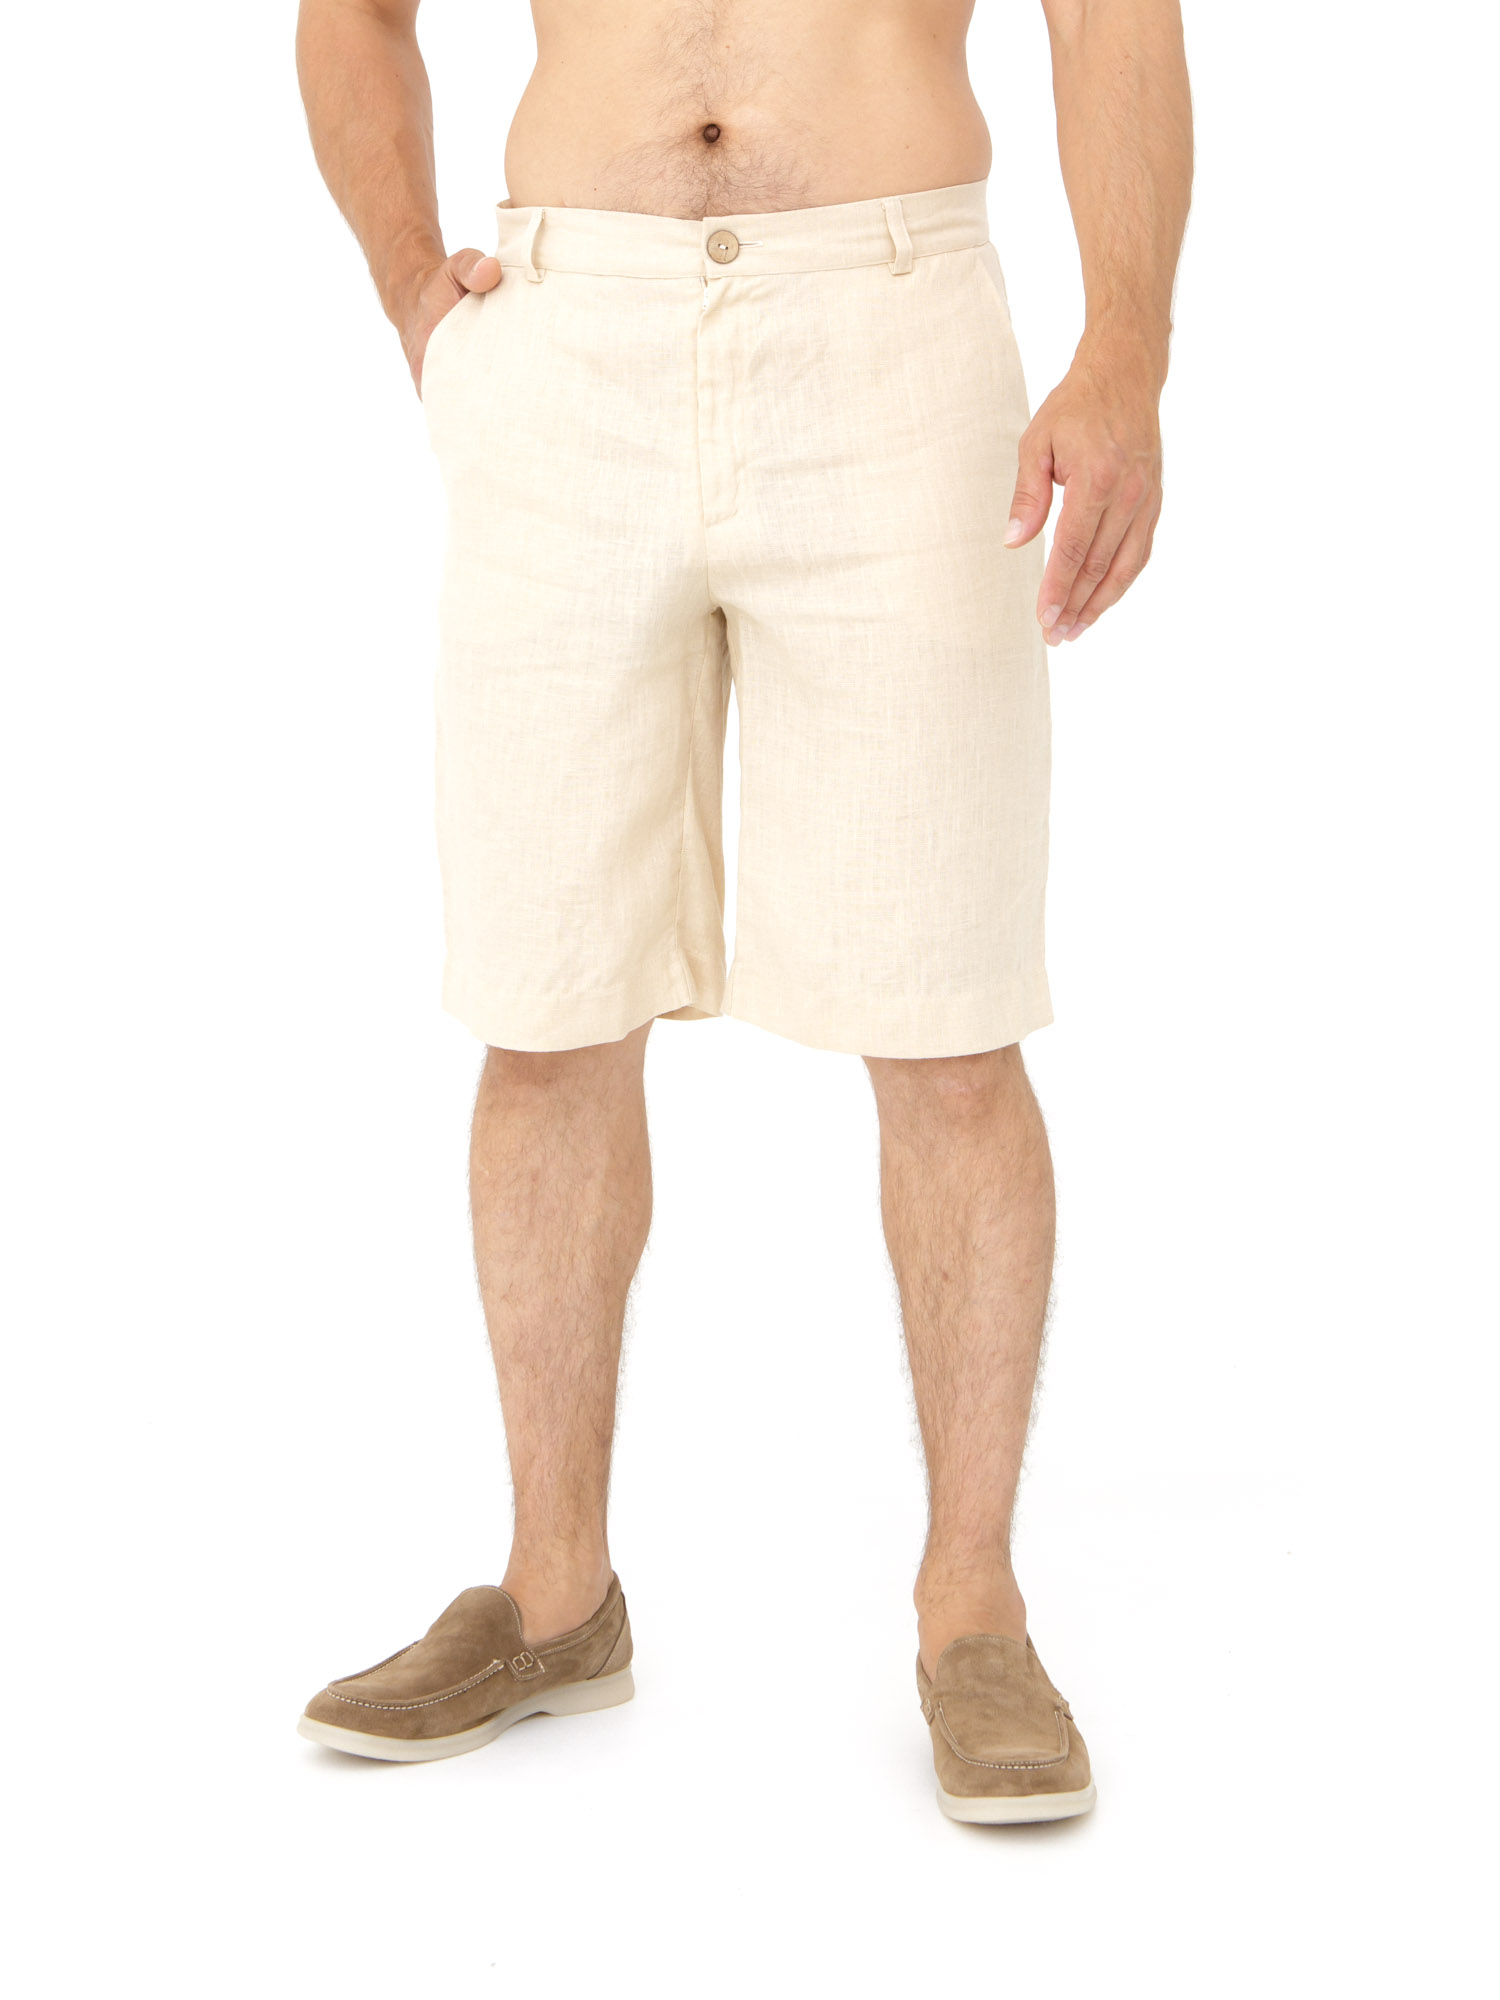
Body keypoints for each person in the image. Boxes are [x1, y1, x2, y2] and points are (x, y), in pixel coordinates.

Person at [293, 0, 1191, 1822]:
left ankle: (974, 1609)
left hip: (891, 337)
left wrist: (1126, 350)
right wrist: (410, 289)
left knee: (948, 1016)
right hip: (568, 342)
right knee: (545, 1003)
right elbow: (352, 15)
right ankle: (555, 1594)